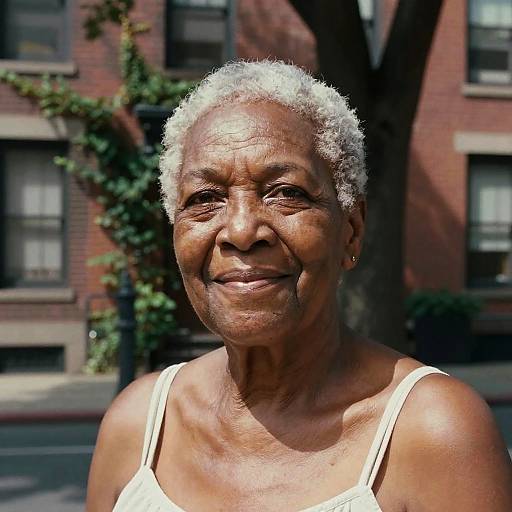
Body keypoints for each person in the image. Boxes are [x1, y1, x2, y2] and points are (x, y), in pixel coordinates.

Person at [86, 61, 512, 512]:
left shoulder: (435, 432)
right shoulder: (137, 425)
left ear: (350, 230)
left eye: (286, 192)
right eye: (204, 199)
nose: (242, 230)